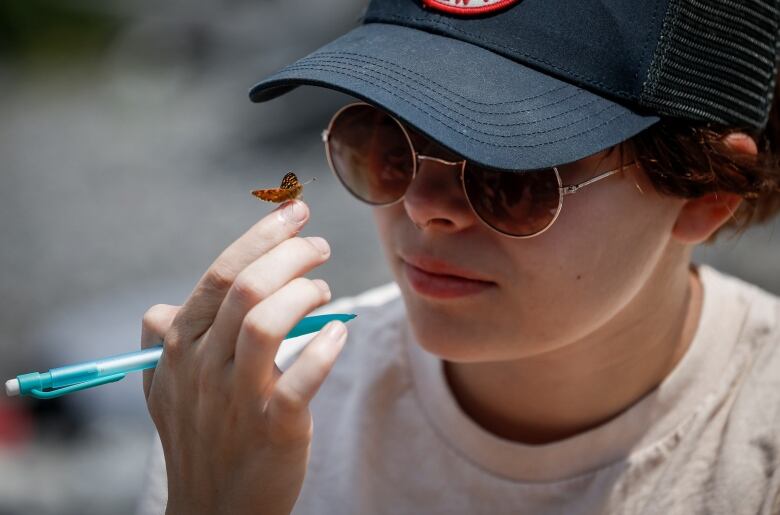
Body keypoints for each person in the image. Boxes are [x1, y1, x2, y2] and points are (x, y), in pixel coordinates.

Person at [136, 0, 780, 513]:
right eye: (386, 141)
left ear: (707, 187)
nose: (422, 207)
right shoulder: (242, 412)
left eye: (513, 173)